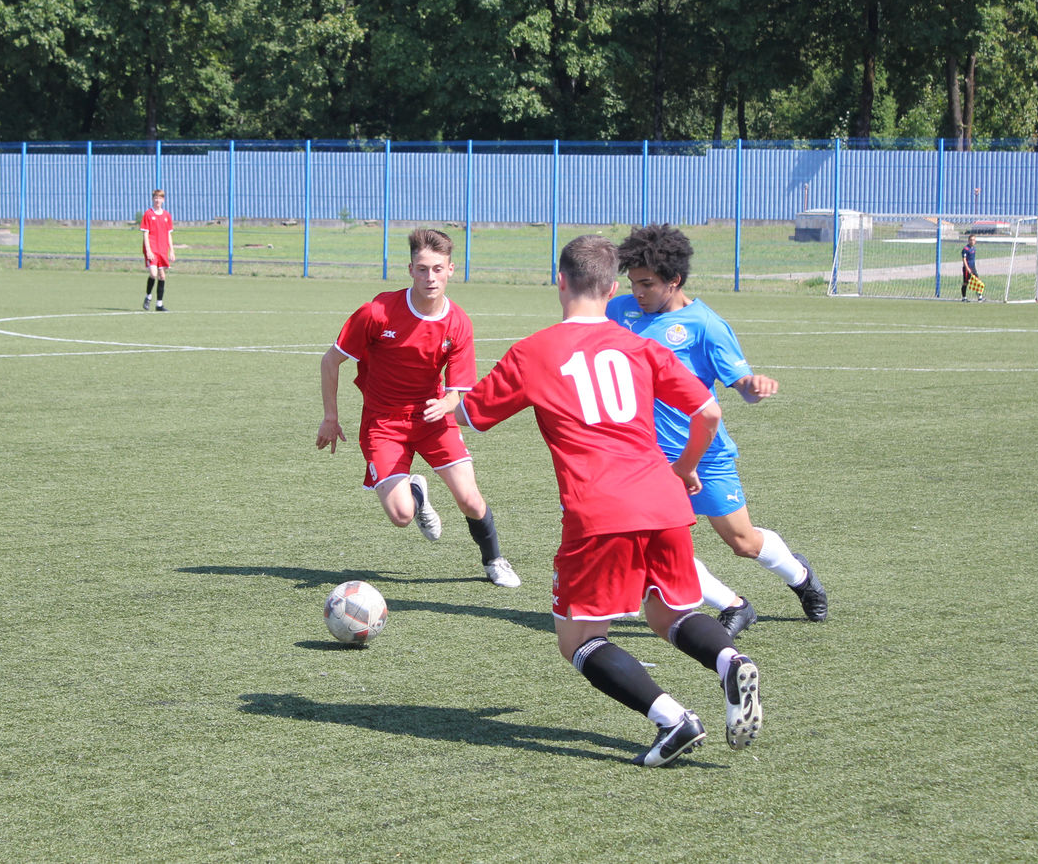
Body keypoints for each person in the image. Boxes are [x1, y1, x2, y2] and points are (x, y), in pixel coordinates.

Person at [426, 234, 761, 765]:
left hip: (599, 509)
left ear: (560, 281)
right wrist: (684, 469)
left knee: (578, 640)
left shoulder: (534, 351)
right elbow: (710, 414)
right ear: (611, 289)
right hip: (664, 500)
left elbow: (471, 416)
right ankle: (729, 661)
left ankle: (674, 721)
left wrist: (451, 400)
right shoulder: (642, 346)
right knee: (666, 614)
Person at [608, 224, 826, 640]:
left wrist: (754, 387)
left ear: (675, 281)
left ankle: (800, 577)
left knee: (742, 542)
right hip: (645, 458)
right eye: (633, 282)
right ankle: (733, 605)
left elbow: (740, 386)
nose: (637, 292)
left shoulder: (706, 326)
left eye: (647, 284)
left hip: (702, 454)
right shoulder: (620, 312)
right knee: (652, 546)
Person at [317, 228, 519, 589]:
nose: (431, 277)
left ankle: (494, 560)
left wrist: (445, 403)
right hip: (383, 423)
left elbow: (458, 392)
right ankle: (415, 492)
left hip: (432, 419)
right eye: (423, 269)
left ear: (451, 270)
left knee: (471, 501)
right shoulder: (377, 312)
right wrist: (331, 417)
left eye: (438, 269)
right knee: (400, 515)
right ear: (410, 269)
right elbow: (330, 361)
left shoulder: (458, 323)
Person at [141, 189, 174, 311]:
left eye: (160, 198)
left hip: (162, 249)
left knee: (162, 276)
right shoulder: (148, 214)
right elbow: (145, 233)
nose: (157, 200)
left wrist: (172, 250)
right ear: (152, 199)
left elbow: (169, 234)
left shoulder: (167, 215)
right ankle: (148, 296)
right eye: (155, 197)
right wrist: (148, 250)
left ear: (163, 200)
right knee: (153, 274)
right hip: (152, 249)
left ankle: (159, 304)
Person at [960, 234, 984, 301]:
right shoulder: (965, 249)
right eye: (971, 240)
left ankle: (979, 296)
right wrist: (967, 268)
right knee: (966, 282)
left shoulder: (974, 248)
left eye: (973, 240)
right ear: (968, 241)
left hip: (973, 267)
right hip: (967, 268)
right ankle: (964, 297)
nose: (972, 241)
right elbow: (964, 259)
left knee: (977, 281)